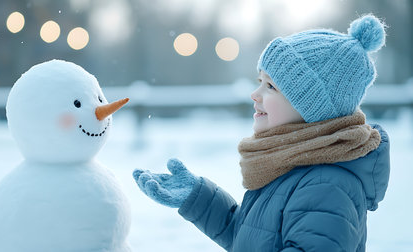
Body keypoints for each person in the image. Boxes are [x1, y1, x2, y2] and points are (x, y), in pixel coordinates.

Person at [133, 14, 390, 251]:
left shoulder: (327, 186)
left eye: (271, 86)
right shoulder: (288, 164)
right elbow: (253, 239)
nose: (255, 95)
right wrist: (200, 198)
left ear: (311, 107)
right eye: (259, 82)